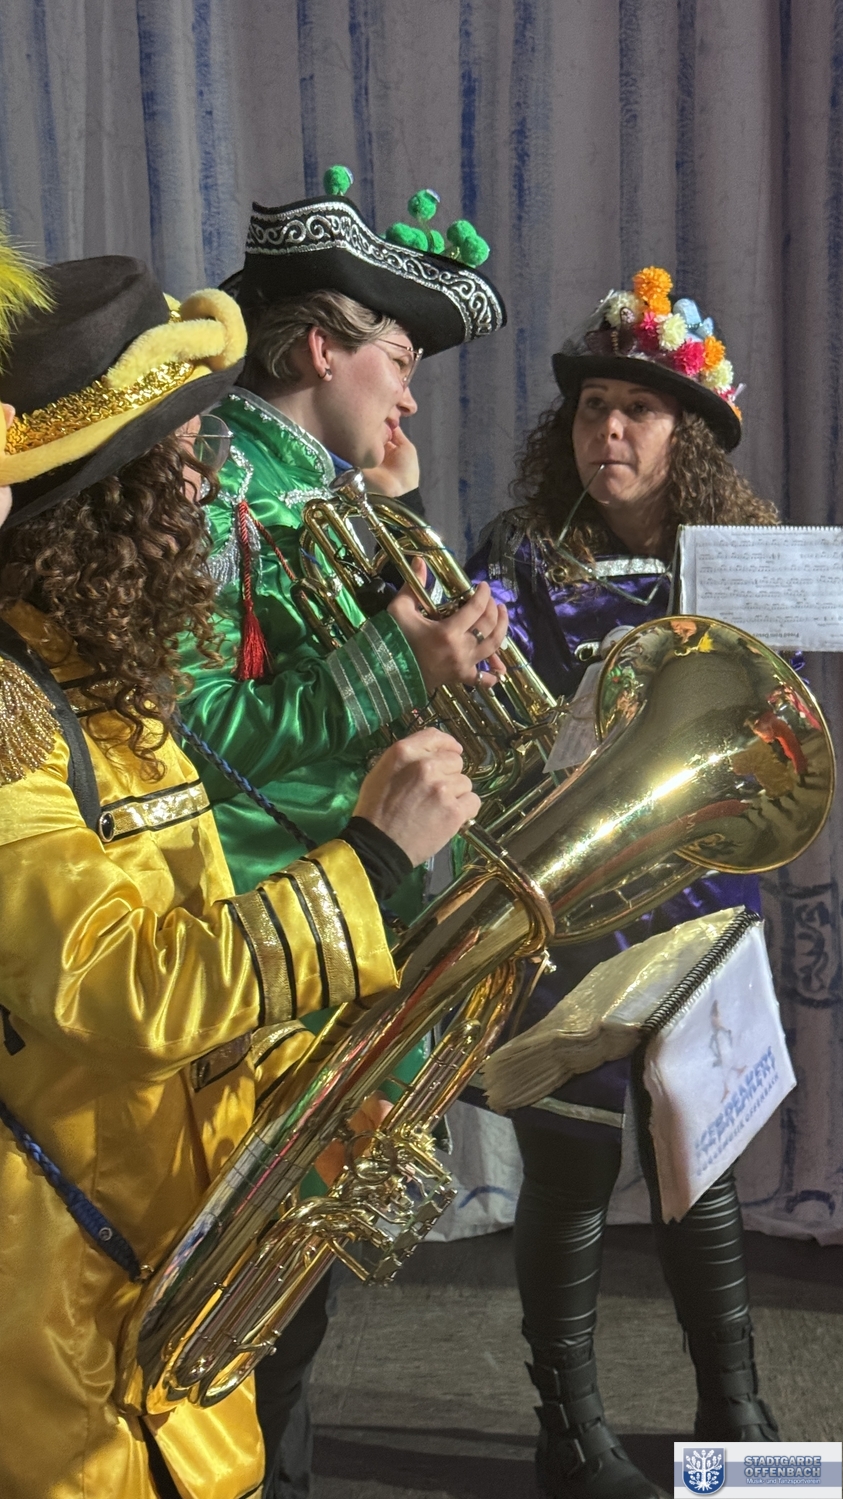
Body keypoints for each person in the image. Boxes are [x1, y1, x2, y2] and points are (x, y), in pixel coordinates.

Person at [0, 249, 479, 1499]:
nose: (210, 481)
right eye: (180, 457)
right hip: (63, 1328)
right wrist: (369, 860)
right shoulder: (12, 712)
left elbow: (199, 939)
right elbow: (117, 988)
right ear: (103, 501)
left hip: (168, 1286)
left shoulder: (115, 690)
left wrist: (320, 1104)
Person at [175, 168, 509, 1497]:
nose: (409, 396)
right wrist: (396, 661)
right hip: (262, 955)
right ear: (320, 348)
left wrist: (415, 584)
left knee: (291, 1311)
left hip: (345, 936)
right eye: (399, 360)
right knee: (242, 1318)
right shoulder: (208, 486)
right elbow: (193, 734)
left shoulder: (324, 491)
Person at [466, 267, 780, 1499]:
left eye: (637, 409)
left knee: (705, 1156)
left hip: (699, 900)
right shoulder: (518, 557)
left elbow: (776, 726)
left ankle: (736, 1416)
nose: (609, 429)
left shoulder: (739, 560)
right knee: (571, 1168)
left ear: (683, 433)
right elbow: (487, 710)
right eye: (593, 407)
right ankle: (570, 1432)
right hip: (568, 911)